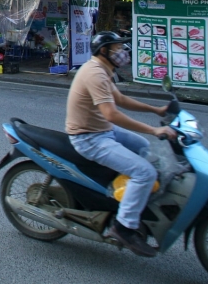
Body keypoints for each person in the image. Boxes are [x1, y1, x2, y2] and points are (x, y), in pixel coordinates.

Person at [66, 30, 176, 257]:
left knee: (143, 147)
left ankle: (129, 197)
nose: (122, 52)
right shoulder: (95, 74)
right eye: (117, 48)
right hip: (88, 138)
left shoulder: (103, 70)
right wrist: (154, 129)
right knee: (145, 172)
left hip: (103, 131)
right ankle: (124, 227)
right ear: (104, 51)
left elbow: (121, 100)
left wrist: (157, 110)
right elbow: (112, 114)